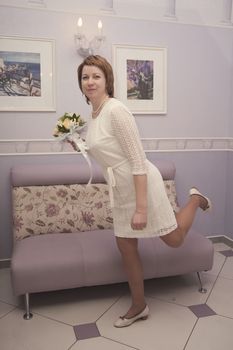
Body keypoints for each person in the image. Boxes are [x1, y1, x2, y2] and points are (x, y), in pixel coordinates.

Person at [77, 55, 211, 328]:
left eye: (96, 76)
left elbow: (137, 161)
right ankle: (139, 306)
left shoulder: (116, 110)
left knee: (174, 240)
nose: (90, 82)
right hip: (120, 188)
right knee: (126, 245)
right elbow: (107, 149)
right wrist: (81, 146)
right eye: (84, 77)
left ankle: (195, 198)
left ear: (107, 81)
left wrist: (141, 208)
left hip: (141, 184)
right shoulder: (95, 113)